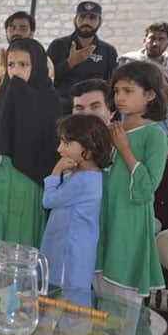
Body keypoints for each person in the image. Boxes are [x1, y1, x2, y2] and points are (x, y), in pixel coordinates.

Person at [95, 61, 168, 335]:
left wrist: (124, 148)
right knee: (99, 299)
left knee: (122, 304)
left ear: (150, 95)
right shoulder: (114, 128)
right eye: (117, 91)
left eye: (129, 90)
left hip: (130, 220)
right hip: (106, 216)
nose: (120, 97)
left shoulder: (154, 135)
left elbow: (146, 188)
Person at [0, 38, 60, 264]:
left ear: (38, 66)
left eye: (24, 65)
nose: (16, 72)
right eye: (11, 65)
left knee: (20, 258)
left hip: (28, 185)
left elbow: (47, 148)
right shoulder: (2, 98)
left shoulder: (50, 102)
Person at [40, 114, 112, 293]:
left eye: (67, 143)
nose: (59, 149)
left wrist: (57, 170)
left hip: (69, 253)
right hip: (68, 248)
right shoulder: (84, 174)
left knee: (64, 300)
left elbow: (48, 200)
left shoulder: (85, 180)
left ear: (89, 146)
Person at [47, 1, 118, 114]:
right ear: (75, 20)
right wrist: (70, 63)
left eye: (92, 18)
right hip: (62, 109)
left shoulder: (108, 51)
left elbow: (112, 85)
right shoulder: (58, 45)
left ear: (100, 22)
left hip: (95, 111)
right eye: (82, 17)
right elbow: (46, 78)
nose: (86, 22)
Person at [0, 11, 54, 100]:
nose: (16, 32)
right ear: (6, 32)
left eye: (23, 29)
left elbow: (45, 92)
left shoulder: (43, 60)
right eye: (12, 28)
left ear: (31, 33)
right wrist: (3, 70)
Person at [118, 22, 168, 133]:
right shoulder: (128, 63)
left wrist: (163, 82)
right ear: (144, 40)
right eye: (152, 38)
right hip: (132, 129)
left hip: (160, 130)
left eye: (161, 39)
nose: (156, 43)